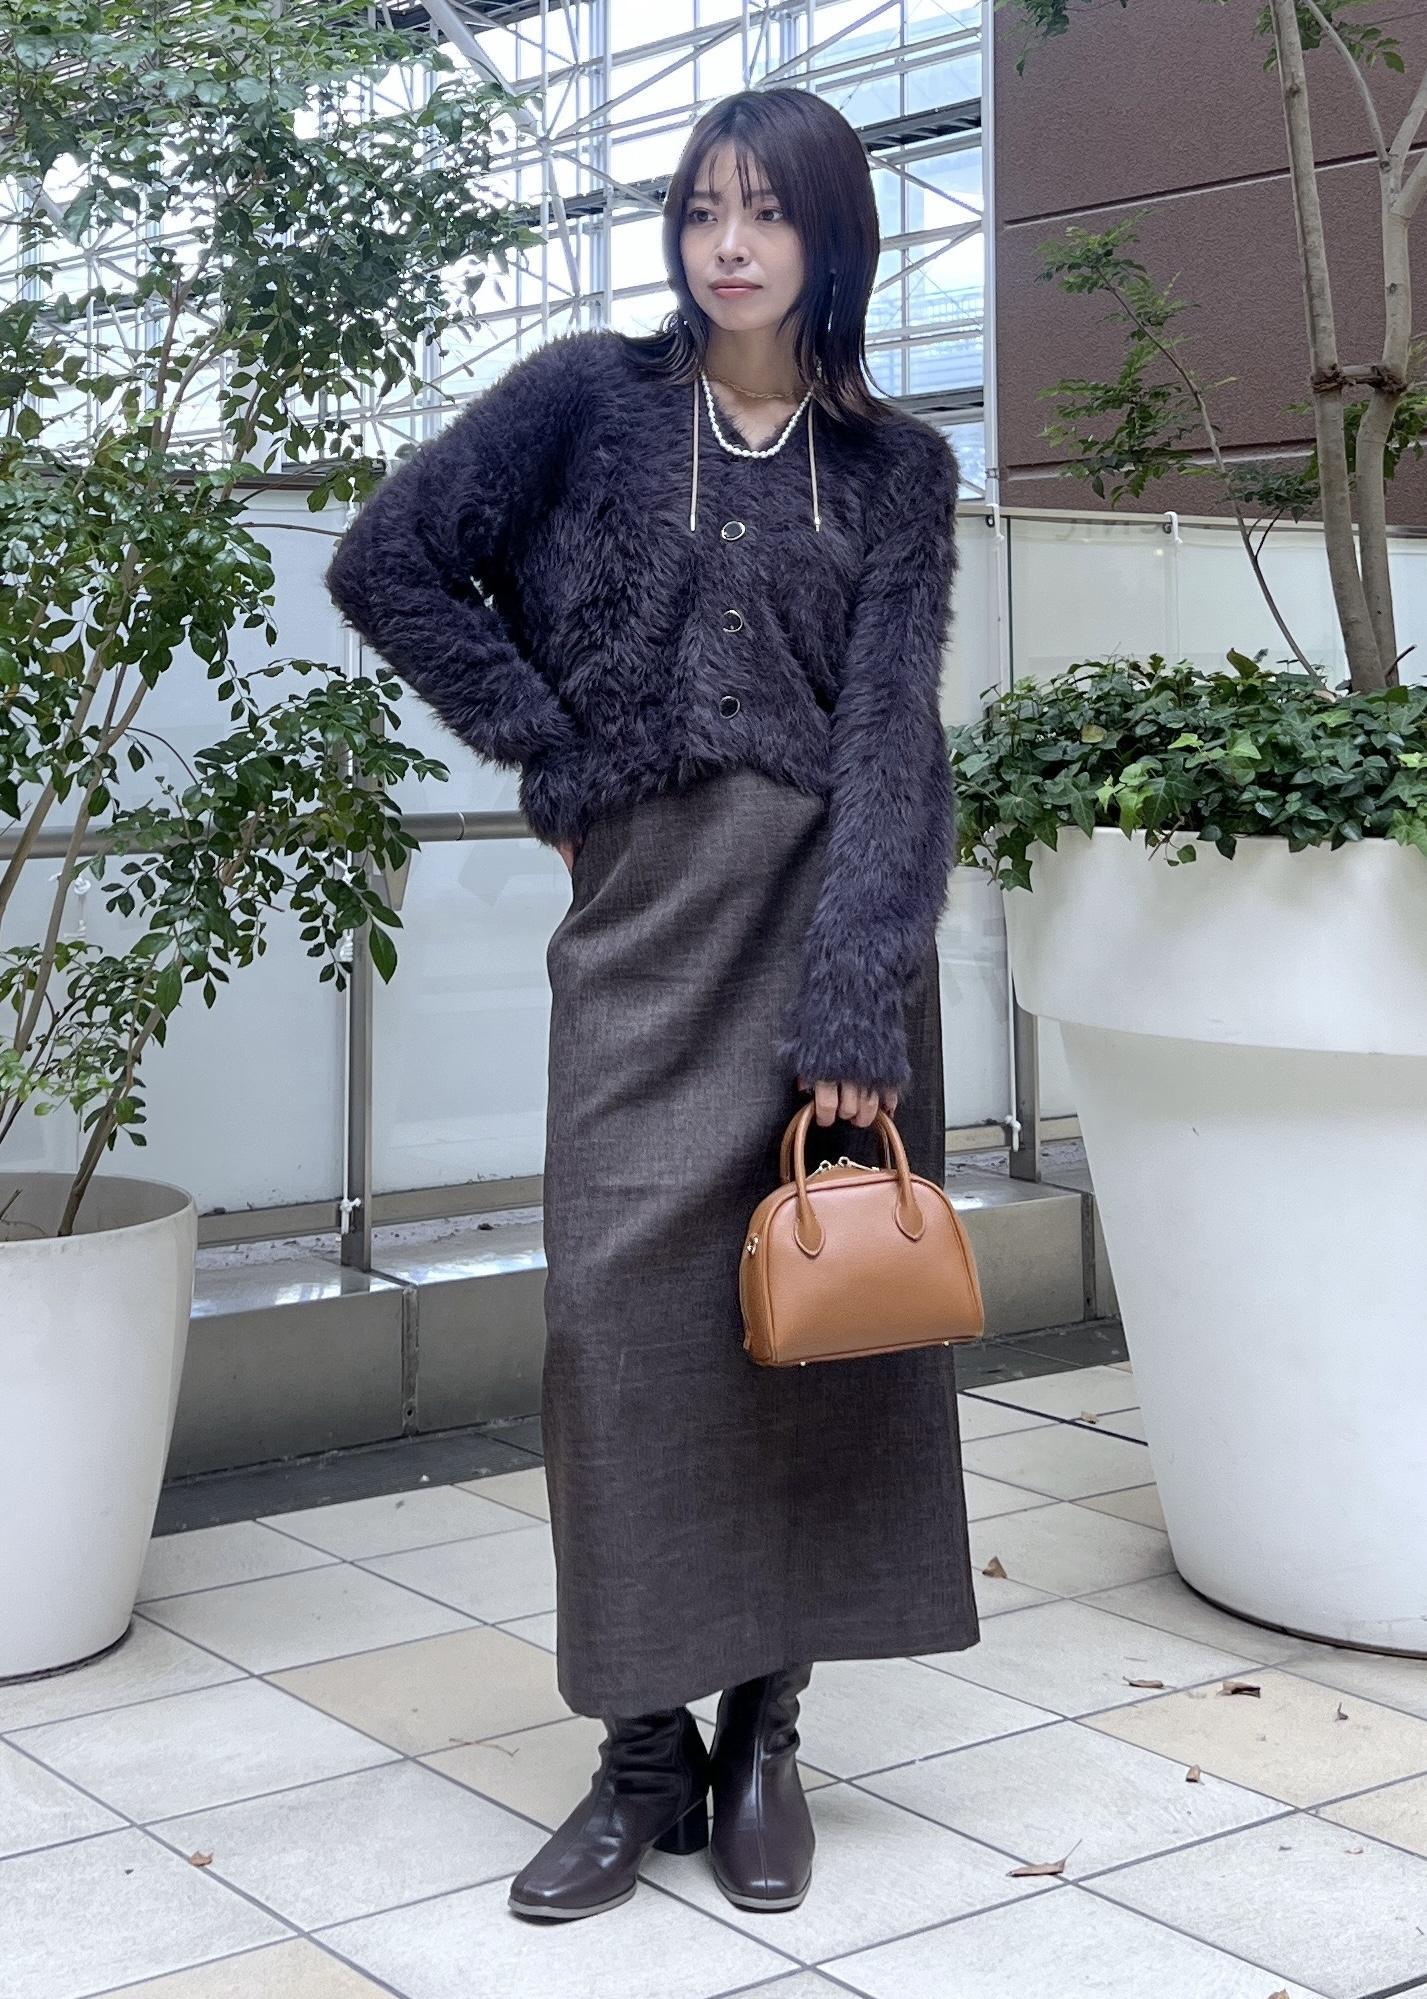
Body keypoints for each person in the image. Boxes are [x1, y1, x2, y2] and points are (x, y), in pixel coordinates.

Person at [324, 84, 980, 1927]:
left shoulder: (896, 469)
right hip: (642, 918)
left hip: (827, 923)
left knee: (813, 1330)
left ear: (829, 237)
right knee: (616, 1331)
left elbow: (894, 738)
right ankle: (638, 1759)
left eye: (765, 212)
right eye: (702, 210)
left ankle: (768, 1734)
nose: (728, 245)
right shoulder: (586, 401)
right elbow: (389, 560)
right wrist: (551, 746)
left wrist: (859, 1000)